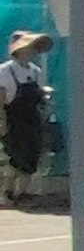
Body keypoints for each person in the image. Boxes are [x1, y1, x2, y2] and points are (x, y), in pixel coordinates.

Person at [0, 31, 47, 209]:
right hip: (13, 120)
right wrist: (2, 123)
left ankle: (19, 195)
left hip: (32, 121)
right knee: (15, 158)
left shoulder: (36, 72)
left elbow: (39, 95)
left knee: (31, 159)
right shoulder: (4, 71)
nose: (30, 51)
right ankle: (8, 193)